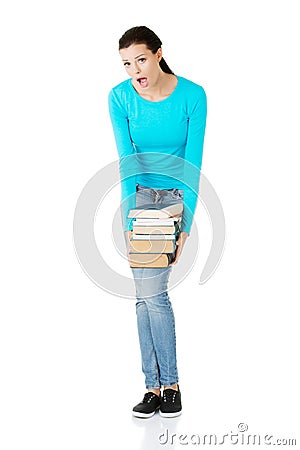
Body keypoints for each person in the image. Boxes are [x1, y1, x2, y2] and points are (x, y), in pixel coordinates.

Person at [108, 26, 207, 418]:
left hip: (175, 198)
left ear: (159, 53)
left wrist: (186, 224)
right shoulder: (119, 98)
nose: (135, 70)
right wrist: (130, 216)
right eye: (127, 64)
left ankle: (168, 384)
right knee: (144, 296)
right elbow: (126, 159)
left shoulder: (192, 95)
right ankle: (156, 387)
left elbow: (194, 162)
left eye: (141, 59)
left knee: (154, 294)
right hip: (140, 198)